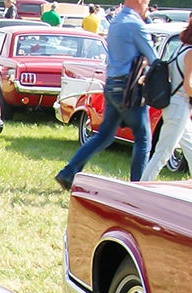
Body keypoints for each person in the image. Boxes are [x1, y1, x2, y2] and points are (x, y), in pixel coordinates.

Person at [54, 0, 158, 188]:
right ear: (140, 1)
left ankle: (68, 172)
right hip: (129, 88)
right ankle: (138, 188)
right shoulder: (136, 25)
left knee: (104, 136)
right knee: (143, 137)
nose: (147, 7)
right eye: (147, 2)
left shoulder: (116, 21)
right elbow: (154, 59)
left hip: (111, 85)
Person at [141, 10, 192, 180]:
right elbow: (189, 86)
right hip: (180, 106)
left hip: (176, 105)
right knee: (163, 152)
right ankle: (142, 187)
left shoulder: (181, 48)